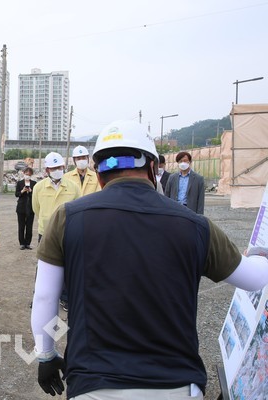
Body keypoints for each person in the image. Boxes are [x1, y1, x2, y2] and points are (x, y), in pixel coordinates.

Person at [31, 120, 268, 399]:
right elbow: (255, 279)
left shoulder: (67, 218)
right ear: (154, 168)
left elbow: (45, 298)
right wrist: (259, 255)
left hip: (94, 384)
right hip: (176, 385)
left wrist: (46, 355)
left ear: (98, 172)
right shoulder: (195, 225)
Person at [32, 152, 81, 240]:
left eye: (59, 167)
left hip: (67, 232)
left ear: (63, 167)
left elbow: (78, 209)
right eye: (54, 168)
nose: (57, 170)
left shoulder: (74, 187)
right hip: (45, 232)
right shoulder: (38, 188)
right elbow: (36, 209)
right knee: (46, 254)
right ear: (47, 170)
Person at [15, 167, 37, 250]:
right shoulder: (20, 183)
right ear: (24, 173)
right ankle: (22, 243)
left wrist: (30, 191)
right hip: (21, 207)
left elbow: (35, 195)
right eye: (26, 174)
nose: (27, 176)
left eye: (29, 175)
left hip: (31, 207)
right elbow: (16, 194)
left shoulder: (34, 183)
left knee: (29, 226)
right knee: (21, 226)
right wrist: (22, 191)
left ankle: (28, 243)